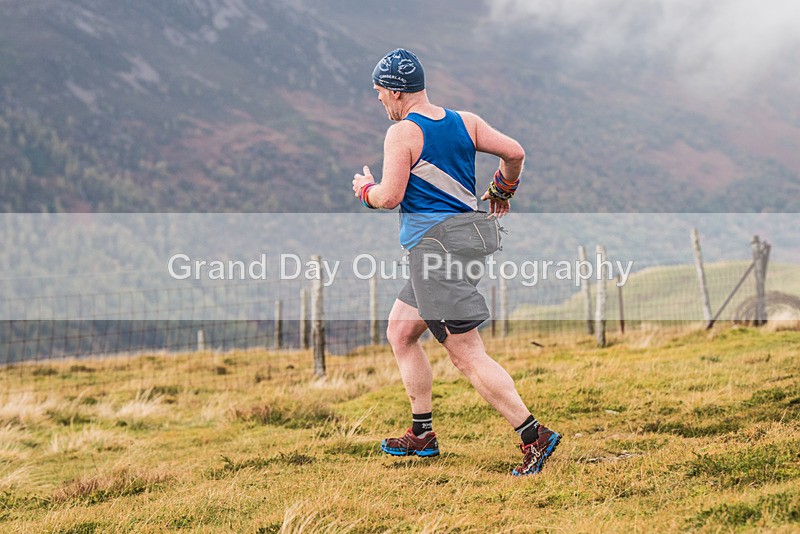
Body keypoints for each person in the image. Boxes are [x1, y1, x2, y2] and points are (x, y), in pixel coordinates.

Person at [351, 49, 560, 476]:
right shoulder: (466, 121)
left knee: (466, 354)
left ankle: (533, 435)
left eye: (379, 93)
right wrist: (503, 188)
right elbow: (515, 152)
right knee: (401, 330)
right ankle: (422, 435)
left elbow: (389, 197)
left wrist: (365, 189)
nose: (378, 101)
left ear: (395, 91)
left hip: (435, 253)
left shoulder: (403, 133)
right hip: (463, 243)